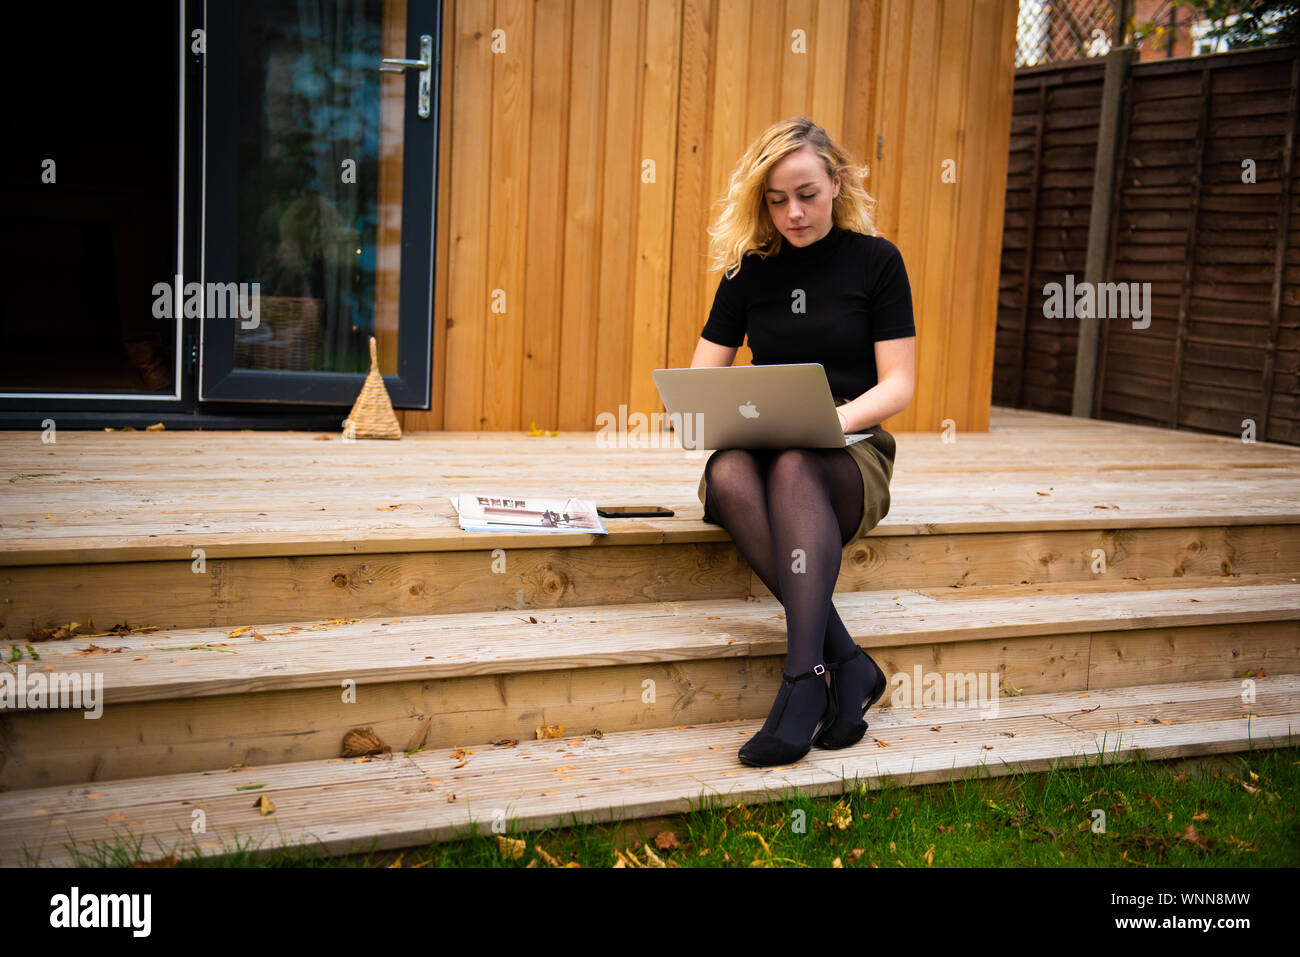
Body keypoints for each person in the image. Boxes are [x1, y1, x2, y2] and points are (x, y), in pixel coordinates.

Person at [689, 116, 916, 767]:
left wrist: (828, 421)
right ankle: (844, 663)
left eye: (807, 194)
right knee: (730, 470)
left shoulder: (877, 262)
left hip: (851, 445)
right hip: (769, 433)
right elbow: (706, 379)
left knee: (794, 463)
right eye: (777, 198)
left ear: (836, 183)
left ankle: (803, 677)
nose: (793, 212)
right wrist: (739, 414)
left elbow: (897, 385)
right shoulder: (748, 271)